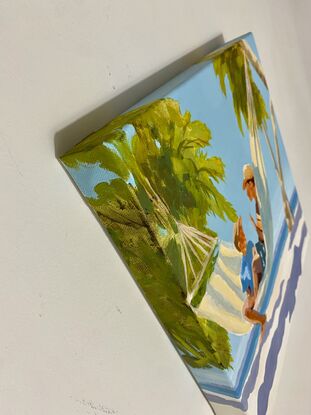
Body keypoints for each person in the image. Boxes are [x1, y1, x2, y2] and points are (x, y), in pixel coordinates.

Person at [233, 217, 266, 340]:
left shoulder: (251, 245)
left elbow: (257, 253)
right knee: (244, 311)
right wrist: (249, 296)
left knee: (254, 263)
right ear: (238, 244)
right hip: (251, 291)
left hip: (257, 277)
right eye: (240, 238)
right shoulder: (242, 265)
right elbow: (246, 286)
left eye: (242, 236)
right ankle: (260, 319)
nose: (243, 239)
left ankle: (262, 318)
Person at [242, 164, 266, 287]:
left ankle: (257, 301)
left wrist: (255, 227)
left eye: (247, 187)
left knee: (254, 265)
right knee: (253, 251)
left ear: (251, 185)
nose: (247, 192)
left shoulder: (259, 205)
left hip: (264, 247)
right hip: (262, 245)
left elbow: (263, 235)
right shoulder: (259, 202)